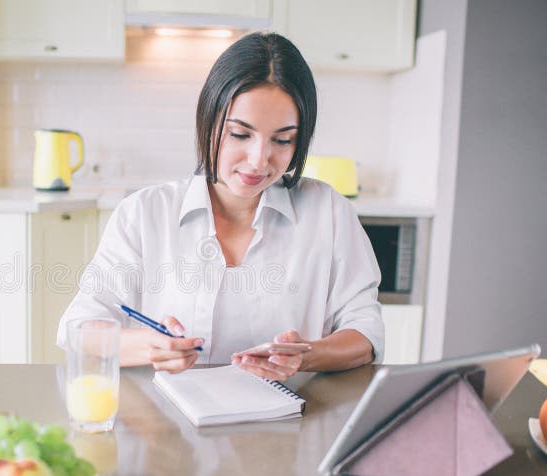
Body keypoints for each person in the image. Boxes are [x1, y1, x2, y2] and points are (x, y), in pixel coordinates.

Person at [57, 32, 383, 382]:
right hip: (168, 424)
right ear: (208, 121)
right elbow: (78, 329)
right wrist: (151, 346)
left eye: (282, 139)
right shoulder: (143, 213)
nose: (259, 160)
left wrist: (306, 355)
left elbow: (366, 332)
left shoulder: (329, 213)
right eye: (240, 135)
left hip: (292, 419)